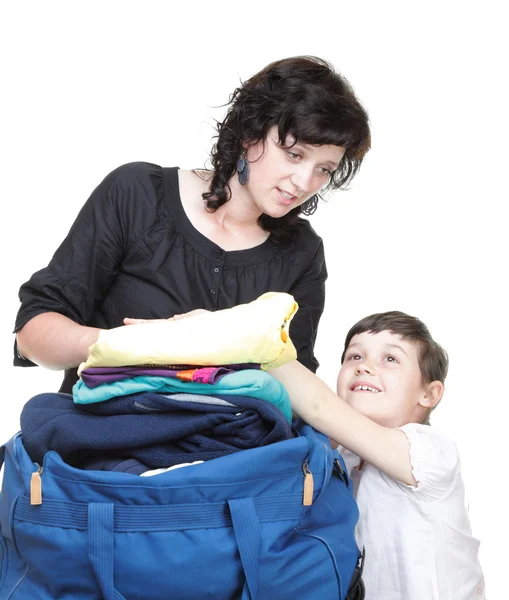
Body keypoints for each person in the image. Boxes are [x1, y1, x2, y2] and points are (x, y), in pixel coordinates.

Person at [13, 55, 371, 394]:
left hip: (229, 452)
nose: (305, 182)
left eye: (324, 169)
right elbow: (32, 334)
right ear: (250, 134)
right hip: (101, 443)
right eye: (294, 154)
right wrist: (144, 344)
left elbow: (296, 386)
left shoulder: (302, 253)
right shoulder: (138, 194)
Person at [271, 311, 486, 599]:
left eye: (390, 359)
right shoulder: (340, 457)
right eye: (354, 357)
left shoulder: (430, 452)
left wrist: (262, 346)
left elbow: (320, 407)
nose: (364, 367)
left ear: (429, 395)